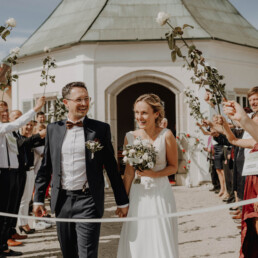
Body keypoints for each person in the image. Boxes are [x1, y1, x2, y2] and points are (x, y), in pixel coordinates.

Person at [33, 81, 129, 258]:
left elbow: (111, 168)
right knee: (68, 253)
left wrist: (121, 200)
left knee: (87, 254)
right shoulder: (53, 129)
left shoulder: (100, 129)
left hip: (88, 200)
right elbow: (46, 168)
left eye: (87, 99)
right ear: (65, 102)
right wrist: (38, 199)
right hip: (61, 200)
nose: (84, 104)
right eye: (79, 100)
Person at [117, 93, 178, 258]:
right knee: (138, 235)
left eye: (144, 113)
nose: (139, 117)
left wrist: (155, 174)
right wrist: (123, 201)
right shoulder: (130, 136)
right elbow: (129, 172)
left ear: (156, 114)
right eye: (136, 112)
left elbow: (174, 167)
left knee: (160, 232)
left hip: (161, 192)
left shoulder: (167, 135)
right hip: (139, 192)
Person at [0, 97, 45, 257]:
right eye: (2, 110)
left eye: (6, 110)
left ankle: (4, 244)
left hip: (13, 172)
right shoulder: (3, 128)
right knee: (4, 210)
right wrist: (36, 108)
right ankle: (2, 245)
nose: (5, 113)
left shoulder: (6, 130)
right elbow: (16, 124)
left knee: (10, 208)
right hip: (3, 173)